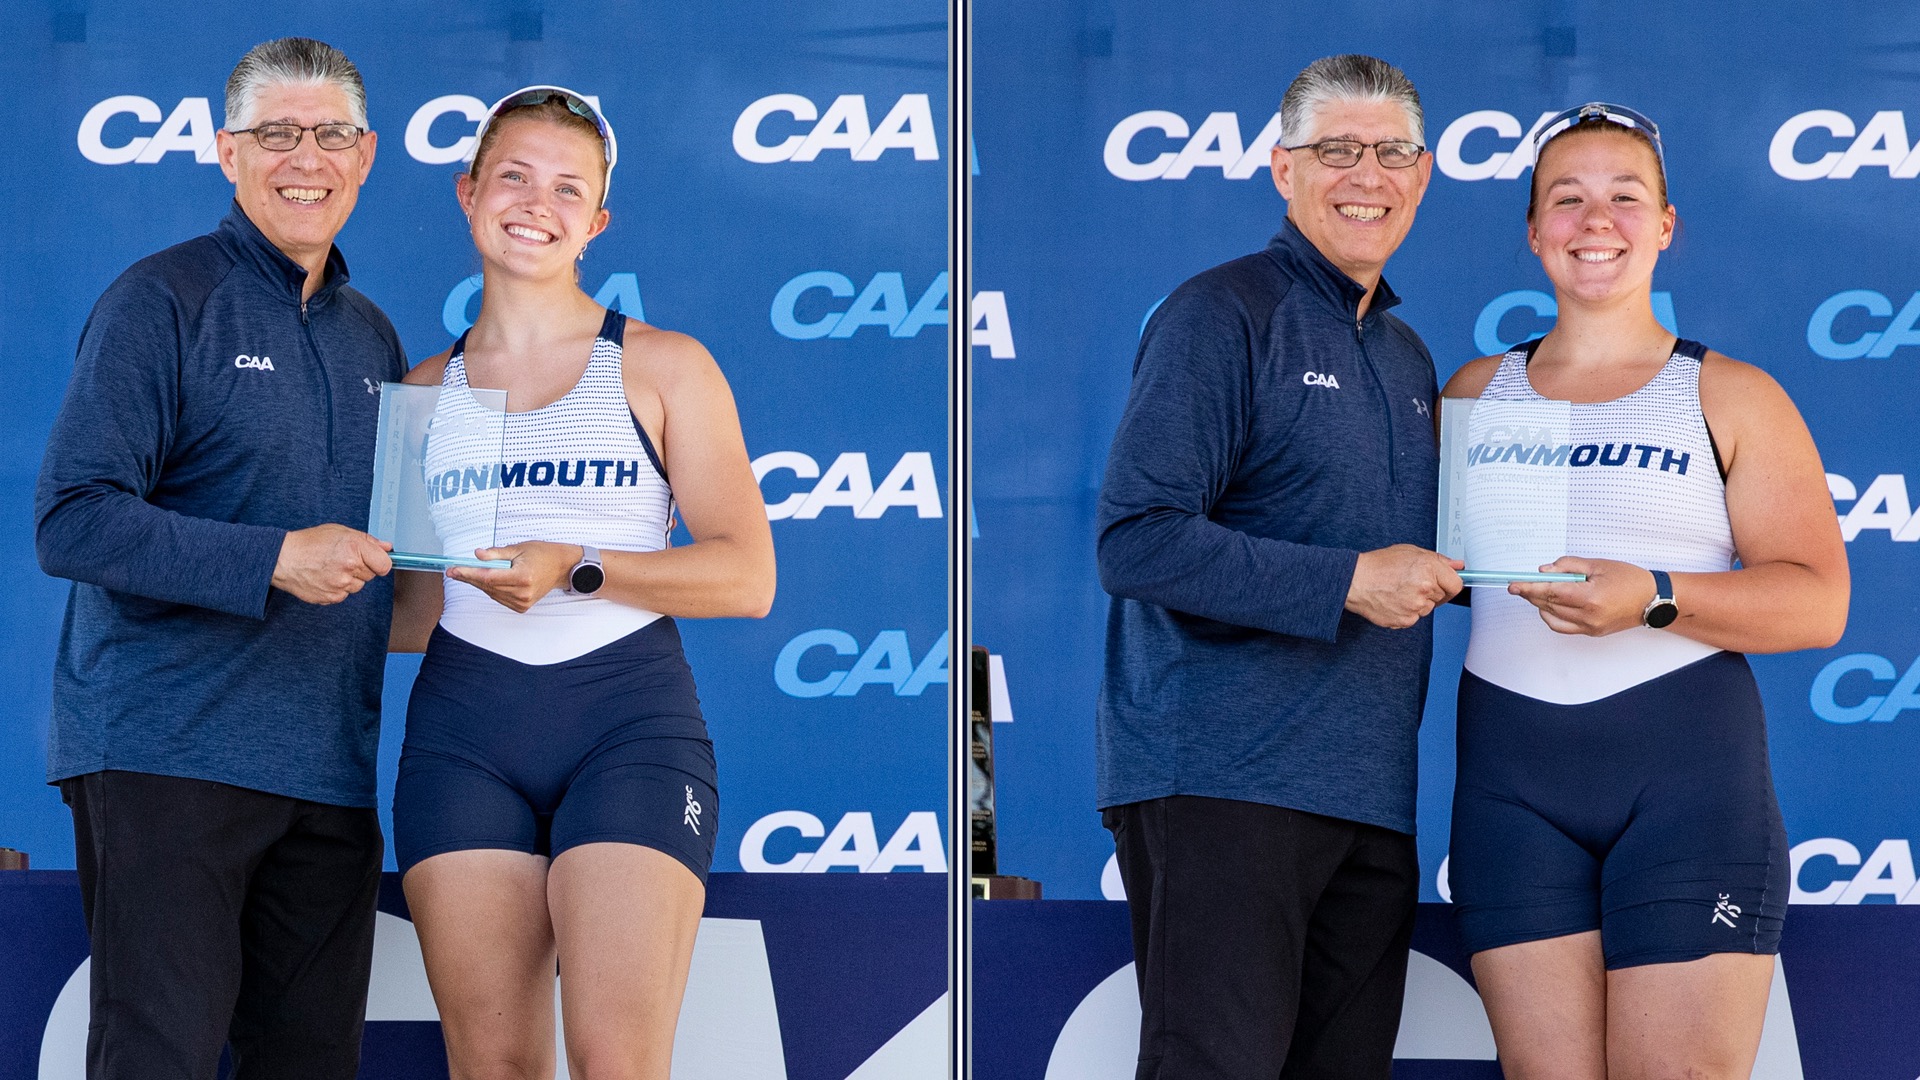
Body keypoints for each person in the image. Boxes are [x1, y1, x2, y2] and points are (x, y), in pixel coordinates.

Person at [1442, 103, 1849, 1079]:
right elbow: (1448, 577)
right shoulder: (1468, 394)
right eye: (1567, 199)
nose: (1596, 221)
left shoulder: (1728, 393)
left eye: (1625, 198)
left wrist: (1656, 596)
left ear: (1665, 225)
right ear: (1534, 229)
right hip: (1510, 790)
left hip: (1686, 789)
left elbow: (1818, 601)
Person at [386, 86, 775, 1080]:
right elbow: (411, 616)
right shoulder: (417, 397)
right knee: (496, 1069)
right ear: (469, 192)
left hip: (626, 725)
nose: (536, 202)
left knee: (618, 1065)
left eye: (567, 188)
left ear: (596, 221)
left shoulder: (665, 366)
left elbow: (746, 575)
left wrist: (583, 568)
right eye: (513, 175)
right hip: (463, 735)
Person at [33, 38, 401, 1079]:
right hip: (167, 752)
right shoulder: (163, 300)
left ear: (366, 155)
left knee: (310, 1066)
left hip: (328, 771)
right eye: (275, 133)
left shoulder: (372, 336)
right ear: (224, 151)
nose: (305, 158)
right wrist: (274, 557)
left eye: (330, 134)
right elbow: (73, 518)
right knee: (161, 1059)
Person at [1095, 54, 1463, 1080]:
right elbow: (1137, 537)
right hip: (1224, 782)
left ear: (1424, 176)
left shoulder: (1410, 358)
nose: (1367, 174)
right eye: (1335, 149)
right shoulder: (1223, 312)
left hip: (1370, 797)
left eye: (1392, 152)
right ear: (1282, 169)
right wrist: (1347, 580)